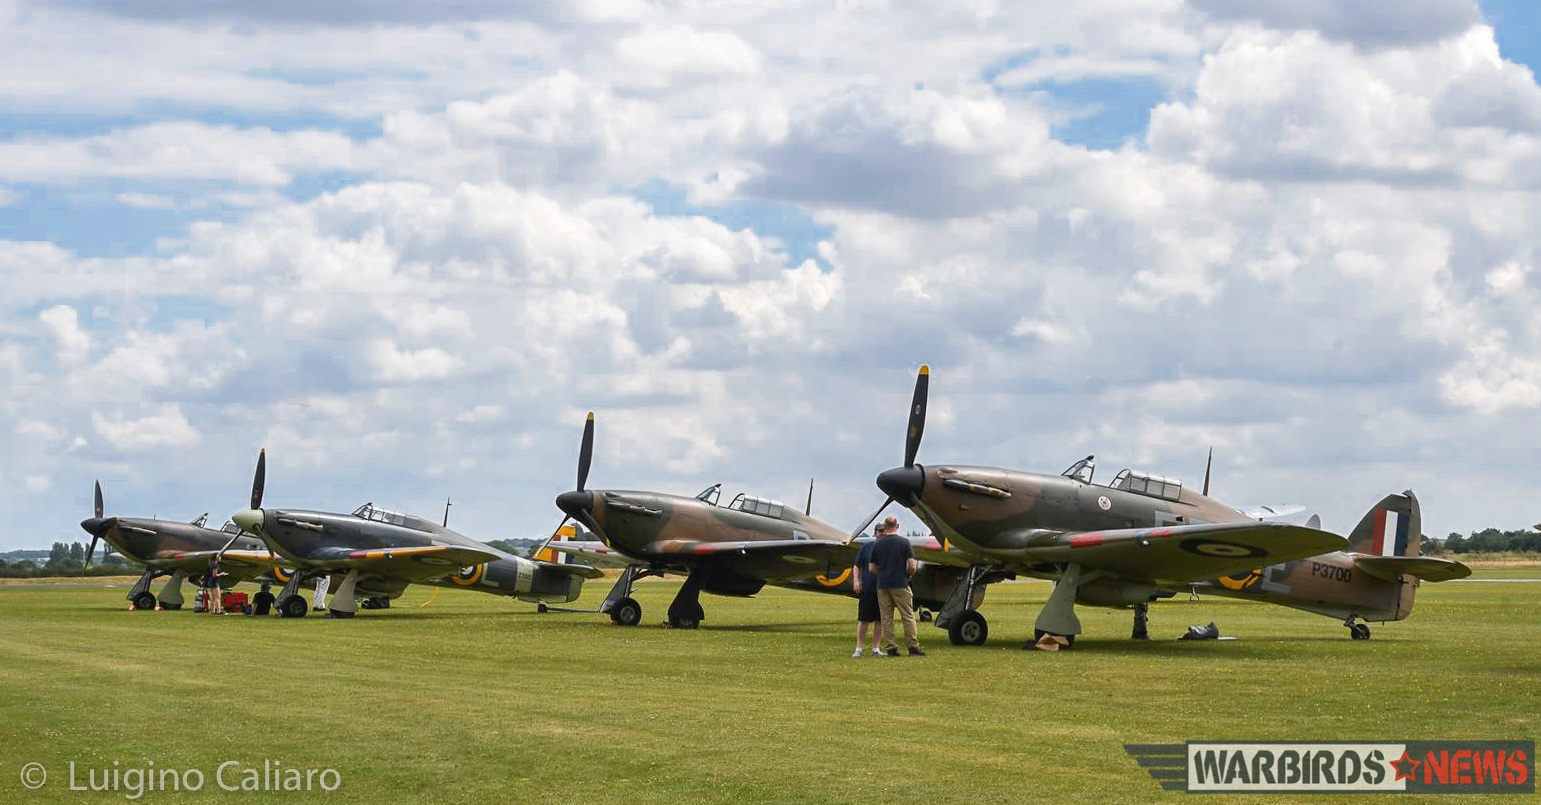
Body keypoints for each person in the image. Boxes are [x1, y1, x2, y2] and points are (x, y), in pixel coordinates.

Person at [868, 516, 924, 656]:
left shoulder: (877, 544)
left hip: (883, 585)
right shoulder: (904, 542)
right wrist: (907, 575)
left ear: (885, 527)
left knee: (886, 618)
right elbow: (912, 566)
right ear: (897, 526)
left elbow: (871, 568)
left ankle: (891, 648)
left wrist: (881, 575)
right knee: (907, 615)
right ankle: (913, 647)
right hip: (900, 583)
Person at [851, 530, 884, 657]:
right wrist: (856, 580)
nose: (881, 533)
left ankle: (876, 648)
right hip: (868, 589)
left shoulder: (888, 547)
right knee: (863, 619)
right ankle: (859, 648)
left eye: (883, 531)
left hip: (884, 590)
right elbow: (857, 565)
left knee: (880, 620)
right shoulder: (866, 547)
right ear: (875, 533)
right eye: (879, 531)